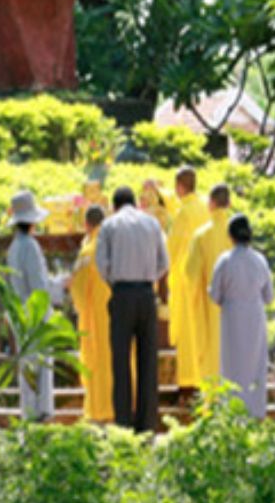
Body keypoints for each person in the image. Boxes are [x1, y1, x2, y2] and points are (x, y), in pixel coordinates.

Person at [96, 185, 170, 432]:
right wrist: (149, 279)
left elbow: (102, 264)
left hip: (122, 293)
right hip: (147, 294)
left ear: (114, 206)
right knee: (148, 360)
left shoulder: (109, 225)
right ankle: (147, 423)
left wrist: (115, 283)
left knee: (121, 360)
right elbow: (164, 263)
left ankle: (123, 423)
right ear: (135, 203)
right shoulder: (152, 224)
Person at [5, 190, 67, 420]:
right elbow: (39, 287)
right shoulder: (30, 246)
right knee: (40, 369)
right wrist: (60, 285)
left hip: (21, 314)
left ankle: (29, 415)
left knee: (28, 368)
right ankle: (40, 415)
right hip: (35, 315)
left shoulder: (14, 247)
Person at [208, 213, 274, 417]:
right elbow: (269, 296)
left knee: (232, 365)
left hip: (232, 317)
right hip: (255, 316)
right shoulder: (259, 260)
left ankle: (232, 411)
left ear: (230, 235)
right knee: (255, 365)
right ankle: (256, 411)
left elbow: (215, 294)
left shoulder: (225, 261)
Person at [183, 184, 236, 384]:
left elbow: (191, 274)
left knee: (211, 357)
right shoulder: (237, 233)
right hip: (236, 306)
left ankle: (212, 403)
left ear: (210, 204)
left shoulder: (201, 235)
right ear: (229, 203)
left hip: (209, 306)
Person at [68, 205, 115, 422]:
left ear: (87, 225)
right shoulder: (115, 247)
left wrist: (79, 307)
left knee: (98, 361)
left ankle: (100, 411)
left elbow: (76, 287)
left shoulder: (87, 252)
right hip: (118, 312)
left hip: (95, 316)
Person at [166, 167, 209, 390]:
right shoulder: (202, 206)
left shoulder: (184, 213)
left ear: (180, 187)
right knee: (200, 331)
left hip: (185, 278)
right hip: (203, 275)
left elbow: (172, 246)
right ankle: (202, 377)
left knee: (187, 333)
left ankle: (187, 381)